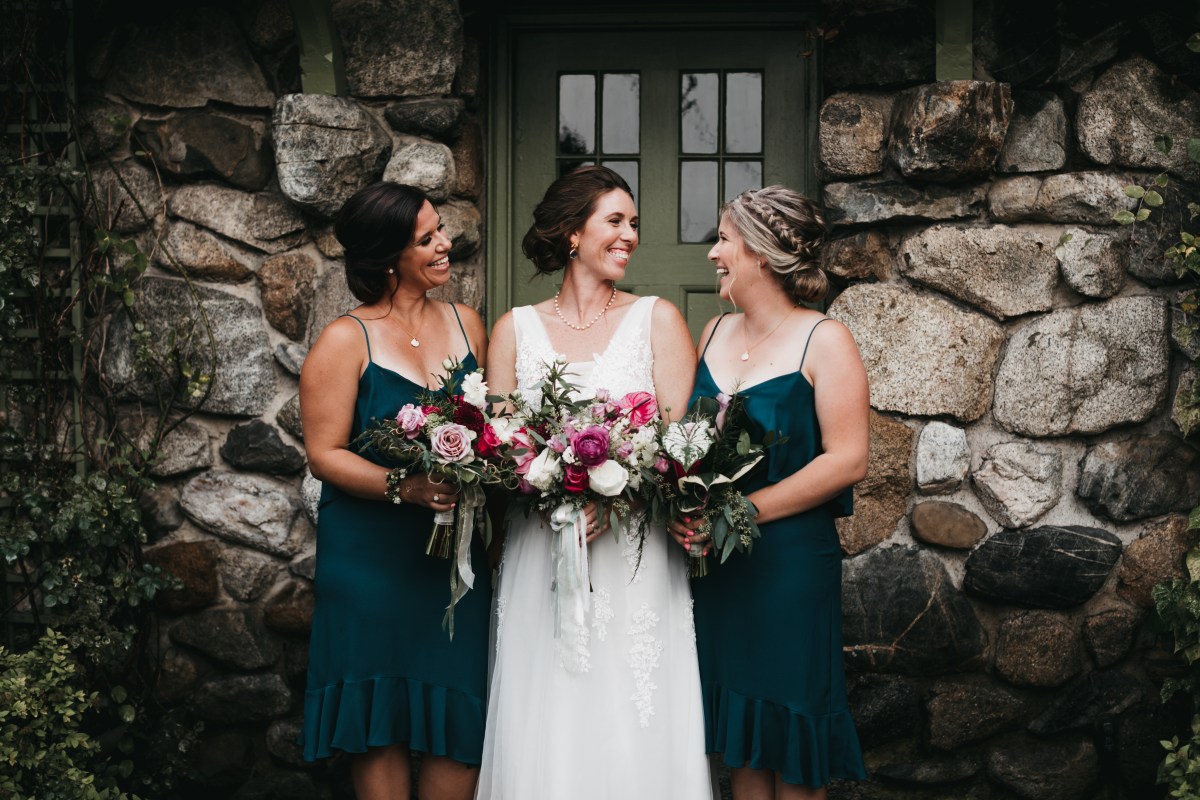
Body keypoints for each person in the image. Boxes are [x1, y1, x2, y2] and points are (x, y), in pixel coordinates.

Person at [476, 166, 712, 798]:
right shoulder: (513, 329)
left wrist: (619, 495)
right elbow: (502, 446)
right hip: (542, 547)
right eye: (615, 221)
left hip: (633, 556)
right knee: (549, 707)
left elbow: (680, 451)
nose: (630, 235)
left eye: (634, 223)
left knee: (630, 707)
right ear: (572, 233)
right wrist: (545, 486)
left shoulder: (657, 320)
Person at [669, 186, 870, 799]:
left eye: (724, 240)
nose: (713, 254)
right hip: (720, 568)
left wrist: (739, 510)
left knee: (790, 734)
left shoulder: (824, 339)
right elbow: (688, 441)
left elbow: (848, 458)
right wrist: (684, 505)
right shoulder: (713, 332)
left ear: (760, 252)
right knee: (743, 737)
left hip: (788, 566)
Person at [299, 182, 492, 800]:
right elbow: (324, 454)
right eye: (427, 238)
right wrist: (403, 486)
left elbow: (493, 429)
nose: (445, 244)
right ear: (389, 257)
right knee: (378, 724)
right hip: (369, 564)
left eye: (441, 230)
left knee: (458, 722)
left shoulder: (468, 324)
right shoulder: (345, 339)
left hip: (451, 565)